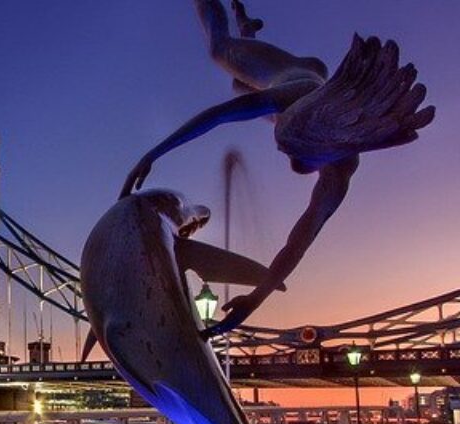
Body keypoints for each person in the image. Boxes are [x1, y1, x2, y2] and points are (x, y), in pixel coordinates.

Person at [120, 0, 435, 336]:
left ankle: (248, 31)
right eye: (285, 149)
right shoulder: (291, 97)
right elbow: (218, 116)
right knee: (219, 50)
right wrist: (153, 154)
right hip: (287, 74)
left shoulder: (340, 172)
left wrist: (255, 299)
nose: (291, 165)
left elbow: (297, 242)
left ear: (327, 155)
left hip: (300, 88)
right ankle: (241, 33)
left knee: (238, 84)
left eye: (296, 157)